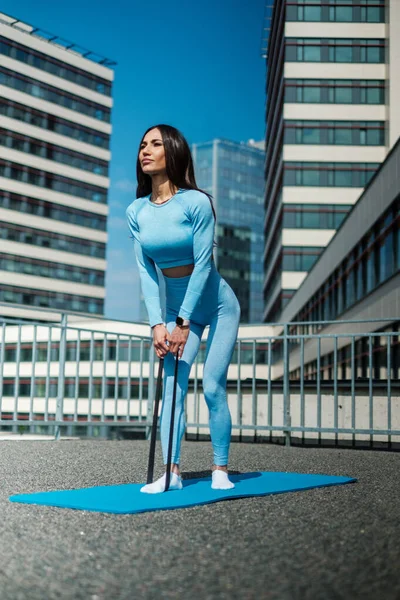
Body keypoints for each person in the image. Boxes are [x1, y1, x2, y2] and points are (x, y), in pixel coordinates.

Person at [126, 124, 241, 494]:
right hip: (175, 311)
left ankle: (220, 468)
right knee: (173, 387)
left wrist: (182, 321)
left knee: (212, 386)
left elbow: (204, 264)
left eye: (155, 144)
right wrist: (157, 325)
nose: (146, 150)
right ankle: (171, 472)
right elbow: (146, 273)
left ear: (172, 151)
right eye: (143, 145)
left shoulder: (196, 202)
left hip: (217, 305)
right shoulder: (136, 211)